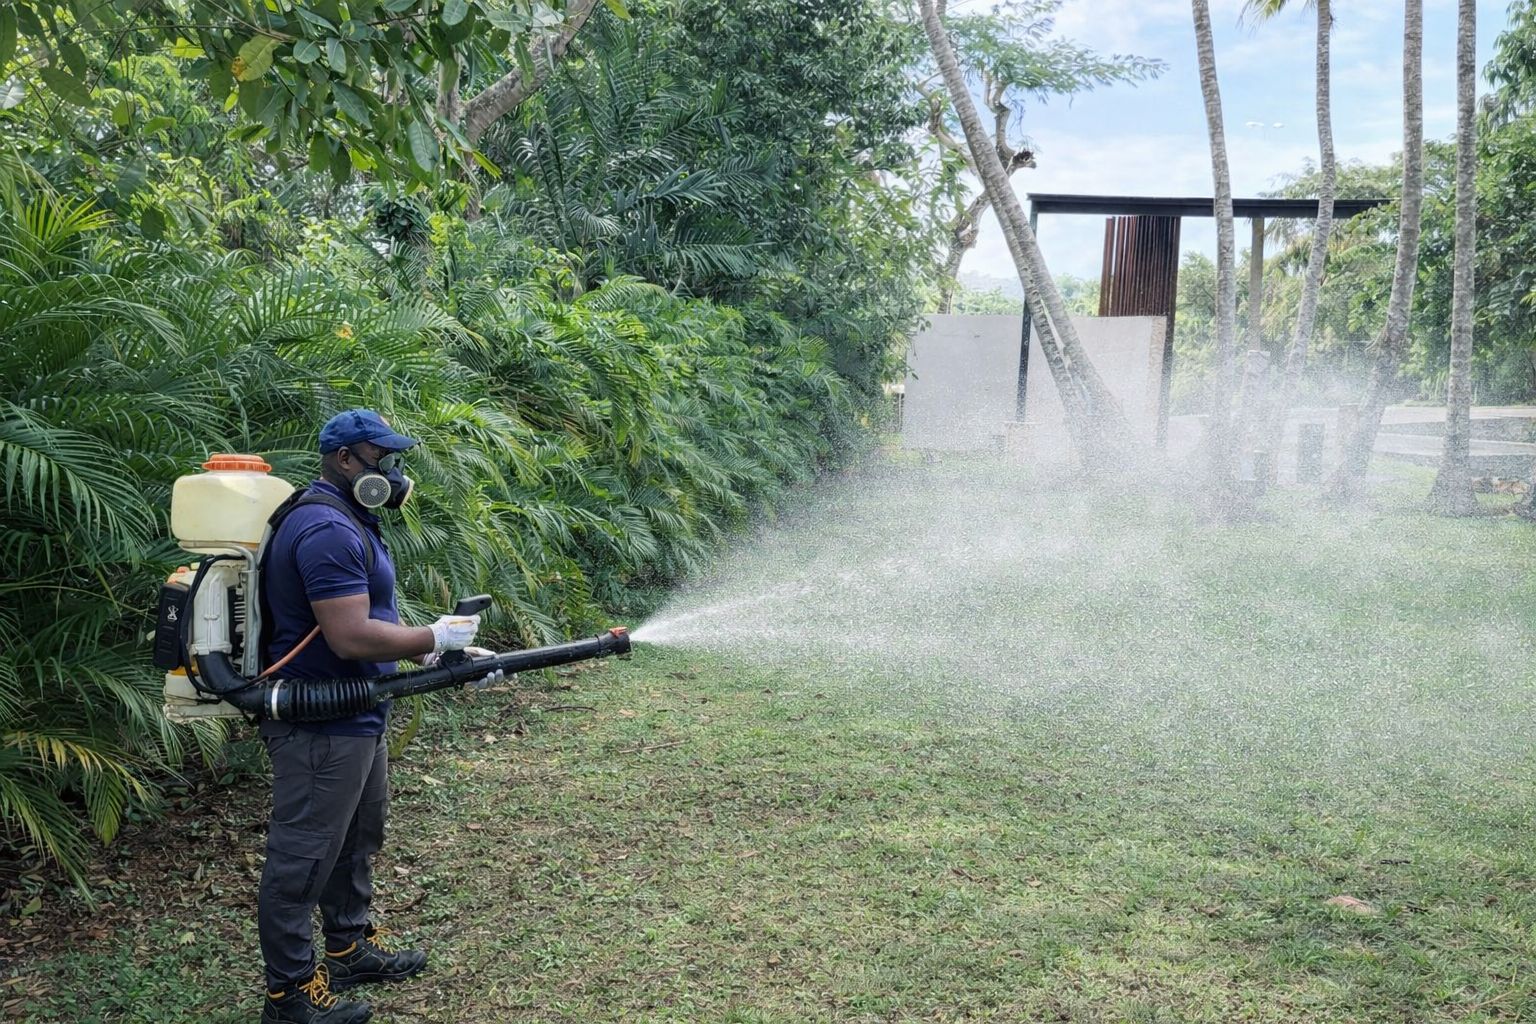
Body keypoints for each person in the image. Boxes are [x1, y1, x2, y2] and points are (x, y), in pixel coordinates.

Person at [258, 409, 495, 1024]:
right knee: (303, 857)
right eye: (380, 459)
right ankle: (288, 996)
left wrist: (450, 646)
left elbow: (375, 624)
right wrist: (433, 637)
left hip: (359, 712)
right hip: (321, 724)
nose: (392, 472)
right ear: (345, 462)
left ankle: (348, 946)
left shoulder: (349, 520)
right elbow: (351, 637)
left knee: (357, 838)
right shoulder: (326, 529)